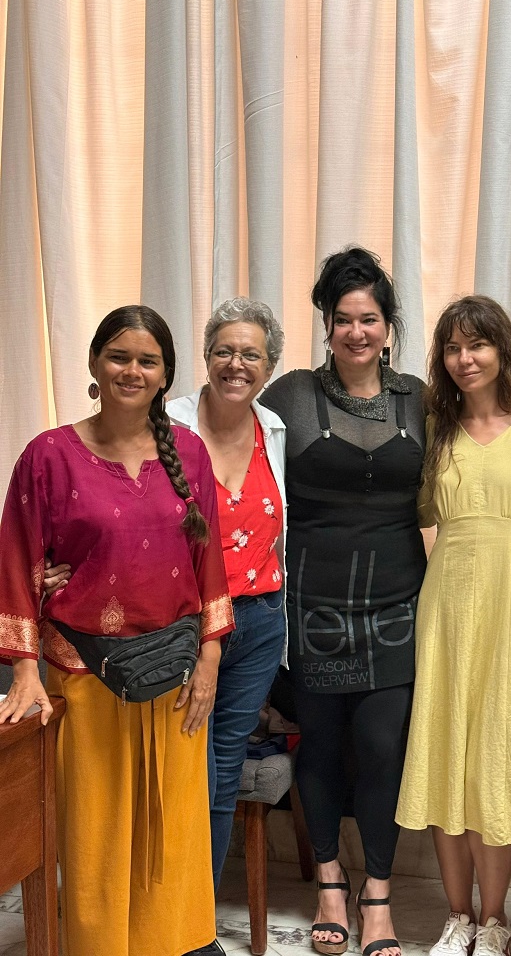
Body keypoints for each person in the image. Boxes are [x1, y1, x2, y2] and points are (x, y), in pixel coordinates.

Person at [0, 305, 234, 956]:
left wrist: (210, 660)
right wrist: (24, 672)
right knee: (95, 833)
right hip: (83, 675)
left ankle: (174, 943)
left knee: (172, 828)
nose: (133, 371)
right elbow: (16, 560)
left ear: (165, 375)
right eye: (119, 357)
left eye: (147, 361)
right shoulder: (48, 456)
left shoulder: (189, 452)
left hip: (175, 676)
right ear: (94, 365)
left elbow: (209, 561)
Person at [260, 246, 426, 956]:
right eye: (343, 319)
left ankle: (377, 894)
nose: (357, 331)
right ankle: (330, 882)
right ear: (327, 325)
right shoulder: (291, 396)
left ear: (388, 326)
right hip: (313, 605)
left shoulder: (420, 398)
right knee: (322, 746)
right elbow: (233, 464)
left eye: (370, 318)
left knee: (384, 749)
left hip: (398, 603)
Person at [395, 296, 511, 956]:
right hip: (446, 603)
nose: (464, 359)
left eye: (477, 344)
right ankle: (457, 916)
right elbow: (418, 514)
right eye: (452, 348)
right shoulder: (435, 427)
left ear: (503, 349)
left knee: (497, 753)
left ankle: (495, 920)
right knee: (446, 754)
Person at [167, 299, 287, 896]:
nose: (236, 364)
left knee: (222, 772)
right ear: (207, 356)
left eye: (251, 355)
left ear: (268, 367)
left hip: (260, 622)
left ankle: (201, 915)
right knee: (184, 767)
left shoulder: (275, 429)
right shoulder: (169, 425)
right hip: (186, 626)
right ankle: (166, 911)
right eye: (224, 351)